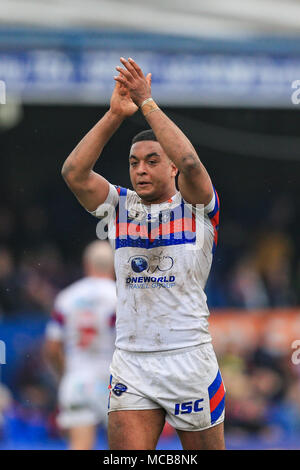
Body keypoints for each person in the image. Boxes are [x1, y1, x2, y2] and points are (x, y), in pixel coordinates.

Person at [61, 57, 225, 450]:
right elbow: (74, 173)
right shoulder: (119, 205)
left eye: (153, 161)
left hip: (188, 358)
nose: (141, 170)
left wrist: (147, 102)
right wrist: (116, 114)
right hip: (132, 360)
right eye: (134, 163)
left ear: (171, 170)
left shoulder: (198, 207)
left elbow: (189, 160)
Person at [44, 240, 116, 450]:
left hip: (77, 379)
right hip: (114, 382)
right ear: (113, 265)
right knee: (123, 450)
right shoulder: (119, 296)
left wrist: (64, 373)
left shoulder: (66, 297)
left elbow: (52, 348)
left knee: (80, 446)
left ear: (87, 264)